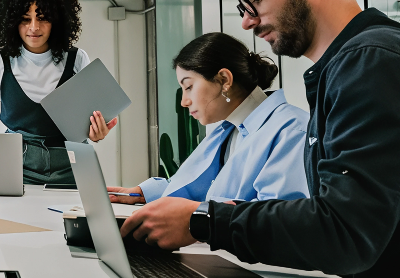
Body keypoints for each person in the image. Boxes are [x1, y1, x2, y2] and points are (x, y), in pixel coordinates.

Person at [119, 0, 400, 277]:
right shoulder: (351, 64)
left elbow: (345, 233)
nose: (247, 20)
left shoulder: (373, 61)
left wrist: (202, 221)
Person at [0, 0, 117, 185]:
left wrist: (97, 133)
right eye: (26, 19)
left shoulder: (77, 59)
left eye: (43, 18)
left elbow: (94, 122)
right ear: (12, 22)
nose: (34, 27)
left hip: (71, 167)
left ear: (57, 20)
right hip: (14, 166)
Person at [107, 32, 308, 205]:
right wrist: (142, 194)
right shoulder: (231, 131)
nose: (184, 101)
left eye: (189, 87)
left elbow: (278, 216)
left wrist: (197, 217)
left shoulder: (291, 131)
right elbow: (200, 189)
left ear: (224, 80)